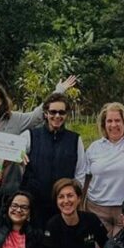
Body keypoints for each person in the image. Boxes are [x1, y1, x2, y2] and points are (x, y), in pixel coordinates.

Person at [0, 76, 77, 197]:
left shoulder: (15, 119)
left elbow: (37, 116)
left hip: (11, 184)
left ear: (1, 101)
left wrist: (59, 91)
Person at [21, 93, 87, 224]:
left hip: (62, 205)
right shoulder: (30, 135)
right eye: (53, 112)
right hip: (35, 203)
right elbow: (12, 152)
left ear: (66, 115)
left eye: (61, 112)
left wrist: (73, 198)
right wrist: (19, 154)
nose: (57, 116)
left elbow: (80, 172)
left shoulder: (75, 139)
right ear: (46, 113)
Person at [84, 102, 124, 234]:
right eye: (109, 121)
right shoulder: (94, 148)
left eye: (117, 120)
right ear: (103, 124)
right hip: (97, 208)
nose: (113, 125)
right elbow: (86, 177)